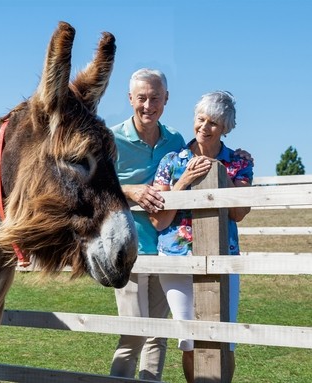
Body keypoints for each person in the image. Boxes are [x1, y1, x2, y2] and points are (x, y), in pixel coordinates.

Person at [149, 90, 253, 383]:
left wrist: (220, 173)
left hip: (223, 260)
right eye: (200, 119)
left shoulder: (238, 162)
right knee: (189, 340)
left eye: (214, 123)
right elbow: (160, 221)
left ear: (225, 129)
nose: (204, 128)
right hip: (177, 260)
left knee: (224, 340)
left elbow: (239, 212)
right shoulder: (171, 161)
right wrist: (184, 181)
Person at [109, 68, 185, 381]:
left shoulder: (176, 140)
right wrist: (131, 191)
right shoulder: (112, 139)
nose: (148, 105)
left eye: (155, 98)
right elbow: (95, 190)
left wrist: (236, 157)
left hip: (166, 248)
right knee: (134, 334)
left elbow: (196, 166)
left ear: (166, 99)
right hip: (127, 247)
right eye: (142, 98)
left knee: (158, 333)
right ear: (130, 99)